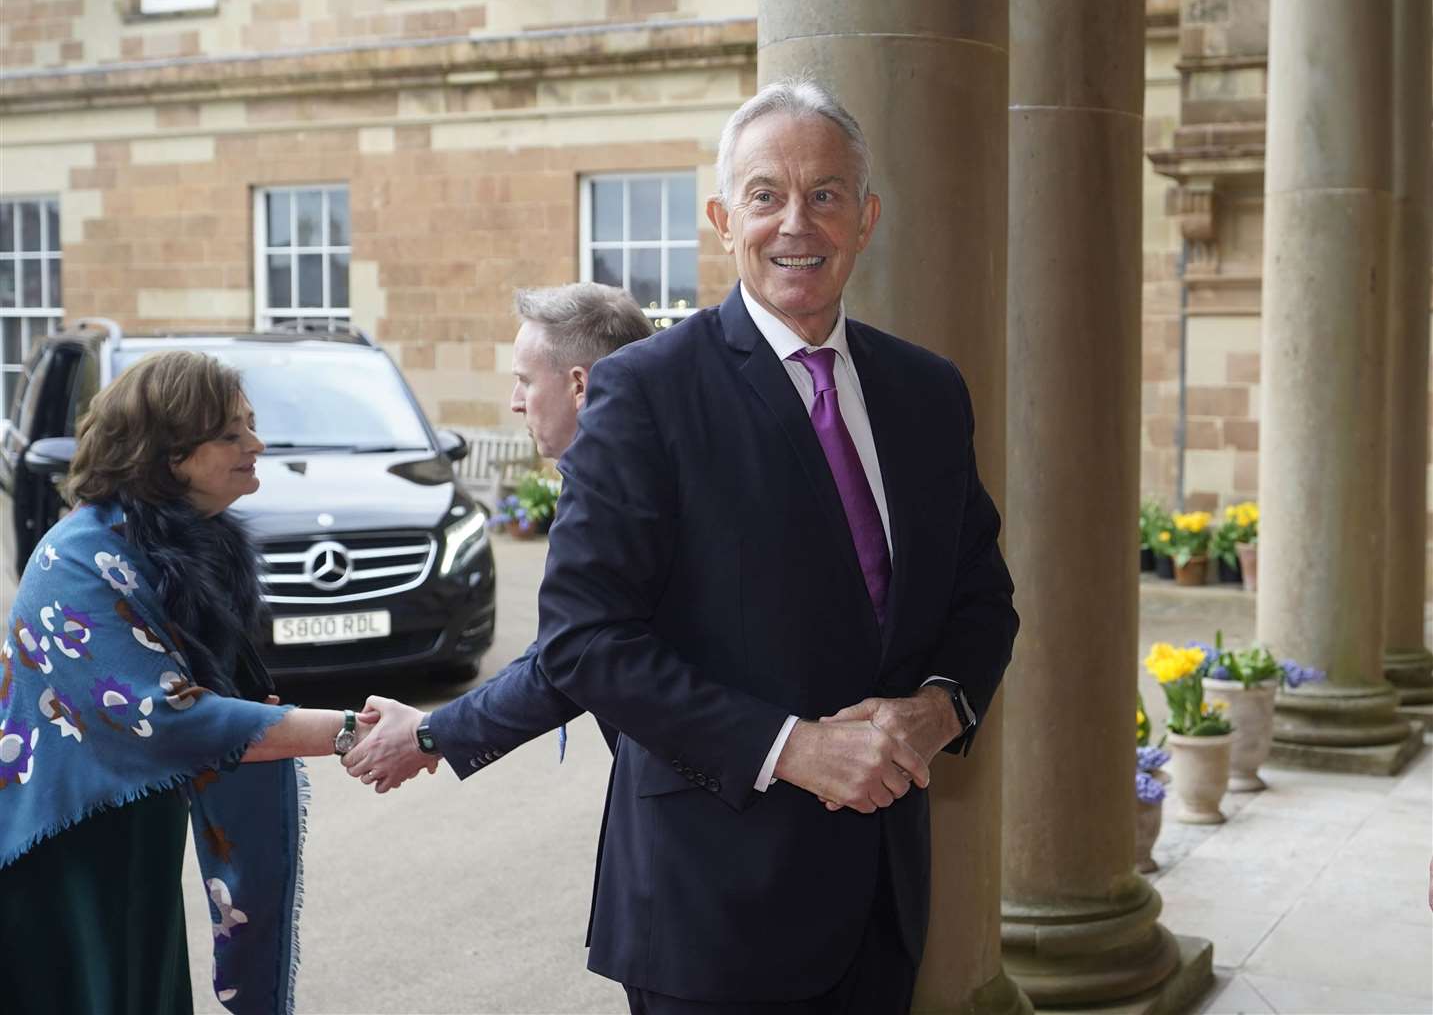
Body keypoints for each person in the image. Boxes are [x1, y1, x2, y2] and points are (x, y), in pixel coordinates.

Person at [372, 80, 1017, 1013]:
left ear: (866, 218)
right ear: (723, 219)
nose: (797, 222)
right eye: (766, 195)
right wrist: (792, 747)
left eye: (826, 194)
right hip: (711, 905)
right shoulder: (645, 393)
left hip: (882, 894)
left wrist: (939, 708)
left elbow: (980, 597)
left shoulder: (927, 390)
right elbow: (588, 643)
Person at [0, 350, 372, 1015]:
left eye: (250, 426)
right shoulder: (76, 560)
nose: (255, 445)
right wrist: (347, 731)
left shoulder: (178, 545)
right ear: (169, 455)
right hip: (61, 855)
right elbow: (166, 718)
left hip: (134, 836)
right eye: (230, 433)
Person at [341, 282, 653, 789]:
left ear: (580, 385)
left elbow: (573, 661)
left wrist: (427, 734)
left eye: (525, 382)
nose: (514, 402)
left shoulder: (612, 489)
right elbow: (567, 644)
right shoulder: (647, 464)